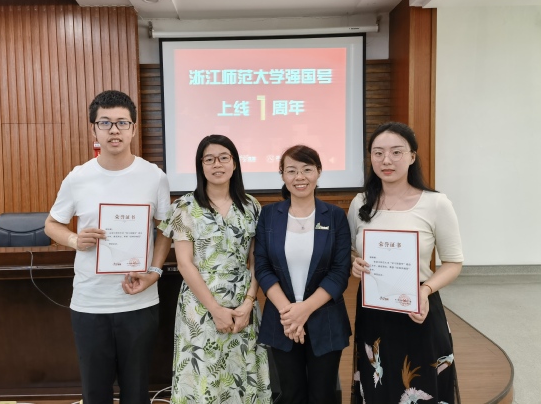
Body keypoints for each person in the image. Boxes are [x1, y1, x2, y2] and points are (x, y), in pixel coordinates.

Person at [44, 90, 171, 404]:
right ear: (94, 129)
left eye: (122, 123)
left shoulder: (154, 177)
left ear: (133, 128)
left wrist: (154, 272)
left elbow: (166, 229)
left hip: (139, 302)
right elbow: (52, 224)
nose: (114, 130)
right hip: (90, 303)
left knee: (136, 392)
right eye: (105, 123)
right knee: (95, 393)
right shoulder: (78, 177)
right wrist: (75, 240)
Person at [350, 122, 464, 404]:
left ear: (412, 156)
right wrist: (355, 263)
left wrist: (425, 290)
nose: (386, 160)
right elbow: (353, 252)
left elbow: (453, 262)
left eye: (396, 152)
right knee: (377, 386)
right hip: (374, 312)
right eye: (378, 153)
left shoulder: (436, 204)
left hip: (418, 309)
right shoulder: (360, 203)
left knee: (421, 386)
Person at [157, 134, 271, 403]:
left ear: (235, 163)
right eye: (209, 159)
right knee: (202, 380)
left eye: (223, 158)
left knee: (242, 377)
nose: (216, 164)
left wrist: (249, 302)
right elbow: (184, 263)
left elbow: (257, 259)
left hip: (242, 305)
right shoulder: (184, 206)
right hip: (199, 307)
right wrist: (216, 310)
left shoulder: (251, 206)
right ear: (201, 165)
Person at [254, 145, 352, 404]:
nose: (300, 177)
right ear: (282, 175)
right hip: (282, 319)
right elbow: (262, 267)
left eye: (307, 169)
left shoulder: (335, 216)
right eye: (292, 170)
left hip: (325, 318)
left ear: (318, 172)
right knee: (291, 395)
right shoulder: (269, 215)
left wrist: (304, 309)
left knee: (323, 395)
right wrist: (290, 314)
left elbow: (340, 272)